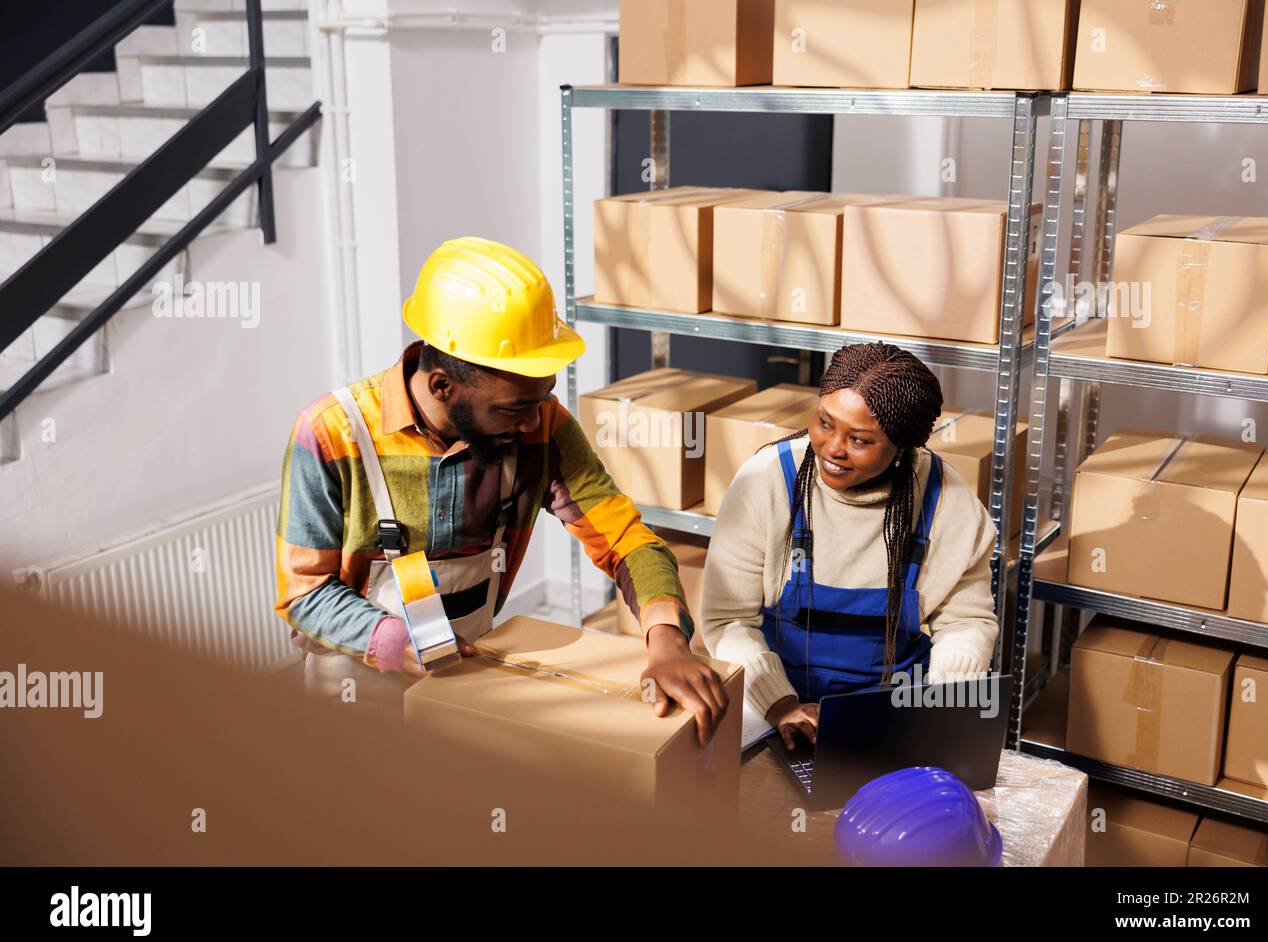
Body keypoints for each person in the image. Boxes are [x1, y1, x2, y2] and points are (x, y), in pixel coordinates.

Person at [275, 236, 728, 744]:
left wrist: (666, 639)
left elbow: (625, 538)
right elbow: (305, 593)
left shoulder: (542, 426)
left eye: (542, 397)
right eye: (514, 408)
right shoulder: (330, 433)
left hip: (464, 680)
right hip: (353, 691)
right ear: (443, 385)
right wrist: (391, 640)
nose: (534, 421)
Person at [700, 343, 998, 750]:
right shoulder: (767, 480)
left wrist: (936, 711)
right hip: (771, 703)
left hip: (895, 710)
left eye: (859, 440)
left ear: (900, 446)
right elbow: (727, 618)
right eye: (825, 423)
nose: (833, 448)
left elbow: (966, 622)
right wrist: (780, 704)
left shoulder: (945, 500)